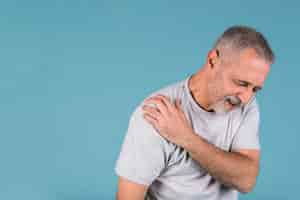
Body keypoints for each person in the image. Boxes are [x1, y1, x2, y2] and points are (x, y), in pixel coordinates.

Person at [115, 25, 275, 200]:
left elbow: (246, 180)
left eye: (255, 89)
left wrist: (187, 139)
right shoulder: (155, 114)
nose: (246, 98)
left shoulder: (245, 105)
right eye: (242, 83)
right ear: (213, 60)